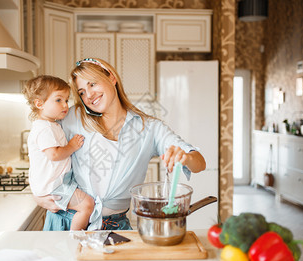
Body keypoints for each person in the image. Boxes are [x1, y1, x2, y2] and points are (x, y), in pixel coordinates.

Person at [34, 58, 206, 231]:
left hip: (116, 227)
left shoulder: (149, 128)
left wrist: (185, 156)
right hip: (65, 221)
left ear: (111, 78)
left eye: (93, 84)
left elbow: (199, 163)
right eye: (82, 92)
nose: (89, 95)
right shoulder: (72, 117)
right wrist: (38, 195)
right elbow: (41, 149)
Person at [23, 75, 97, 231]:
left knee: (86, 205)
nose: (65, 105)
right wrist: (72, 146)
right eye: (58, 100)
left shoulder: (51, 124)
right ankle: (74, 237)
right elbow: (54, 155)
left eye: (66, 100)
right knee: (87, 206)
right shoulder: (44, 128)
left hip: (57, 183)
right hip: (54, 187)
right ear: (39, 103)